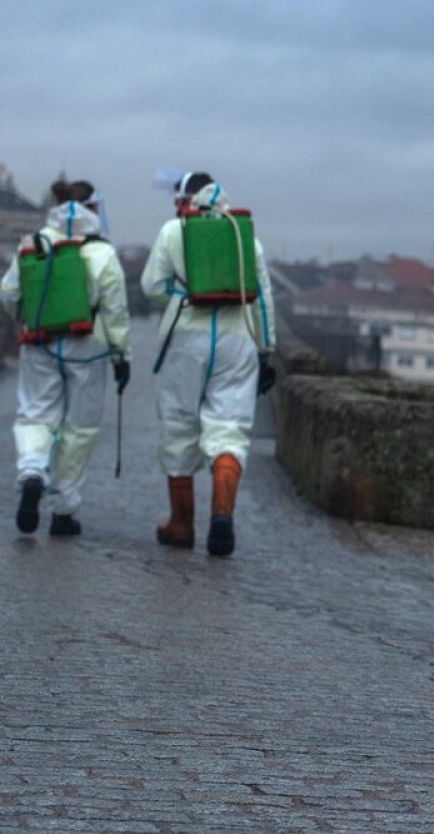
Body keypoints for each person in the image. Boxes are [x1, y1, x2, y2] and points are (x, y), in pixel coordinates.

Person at [142, 172, 276, 557]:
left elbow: (151, 286)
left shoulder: (173, 230)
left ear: (185, 200)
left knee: (179, 425)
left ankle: (182, 524)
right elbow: (263, 299)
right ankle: (222, 516)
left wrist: (181, 294)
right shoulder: (245, 235)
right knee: (229, 429)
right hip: (238, 340)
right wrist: (266, 351)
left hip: (186, 339)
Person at [0, 179, 132, 536]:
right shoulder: (102, 253)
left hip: (39, 341)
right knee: (79, 429)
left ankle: (31, 472)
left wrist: (25, 319)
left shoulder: (34, 242)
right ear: (94, 209)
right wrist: (121, 354)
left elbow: (8, 293)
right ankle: (63, 511)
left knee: (35, 416)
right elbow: (116, 310)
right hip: (86, 347)